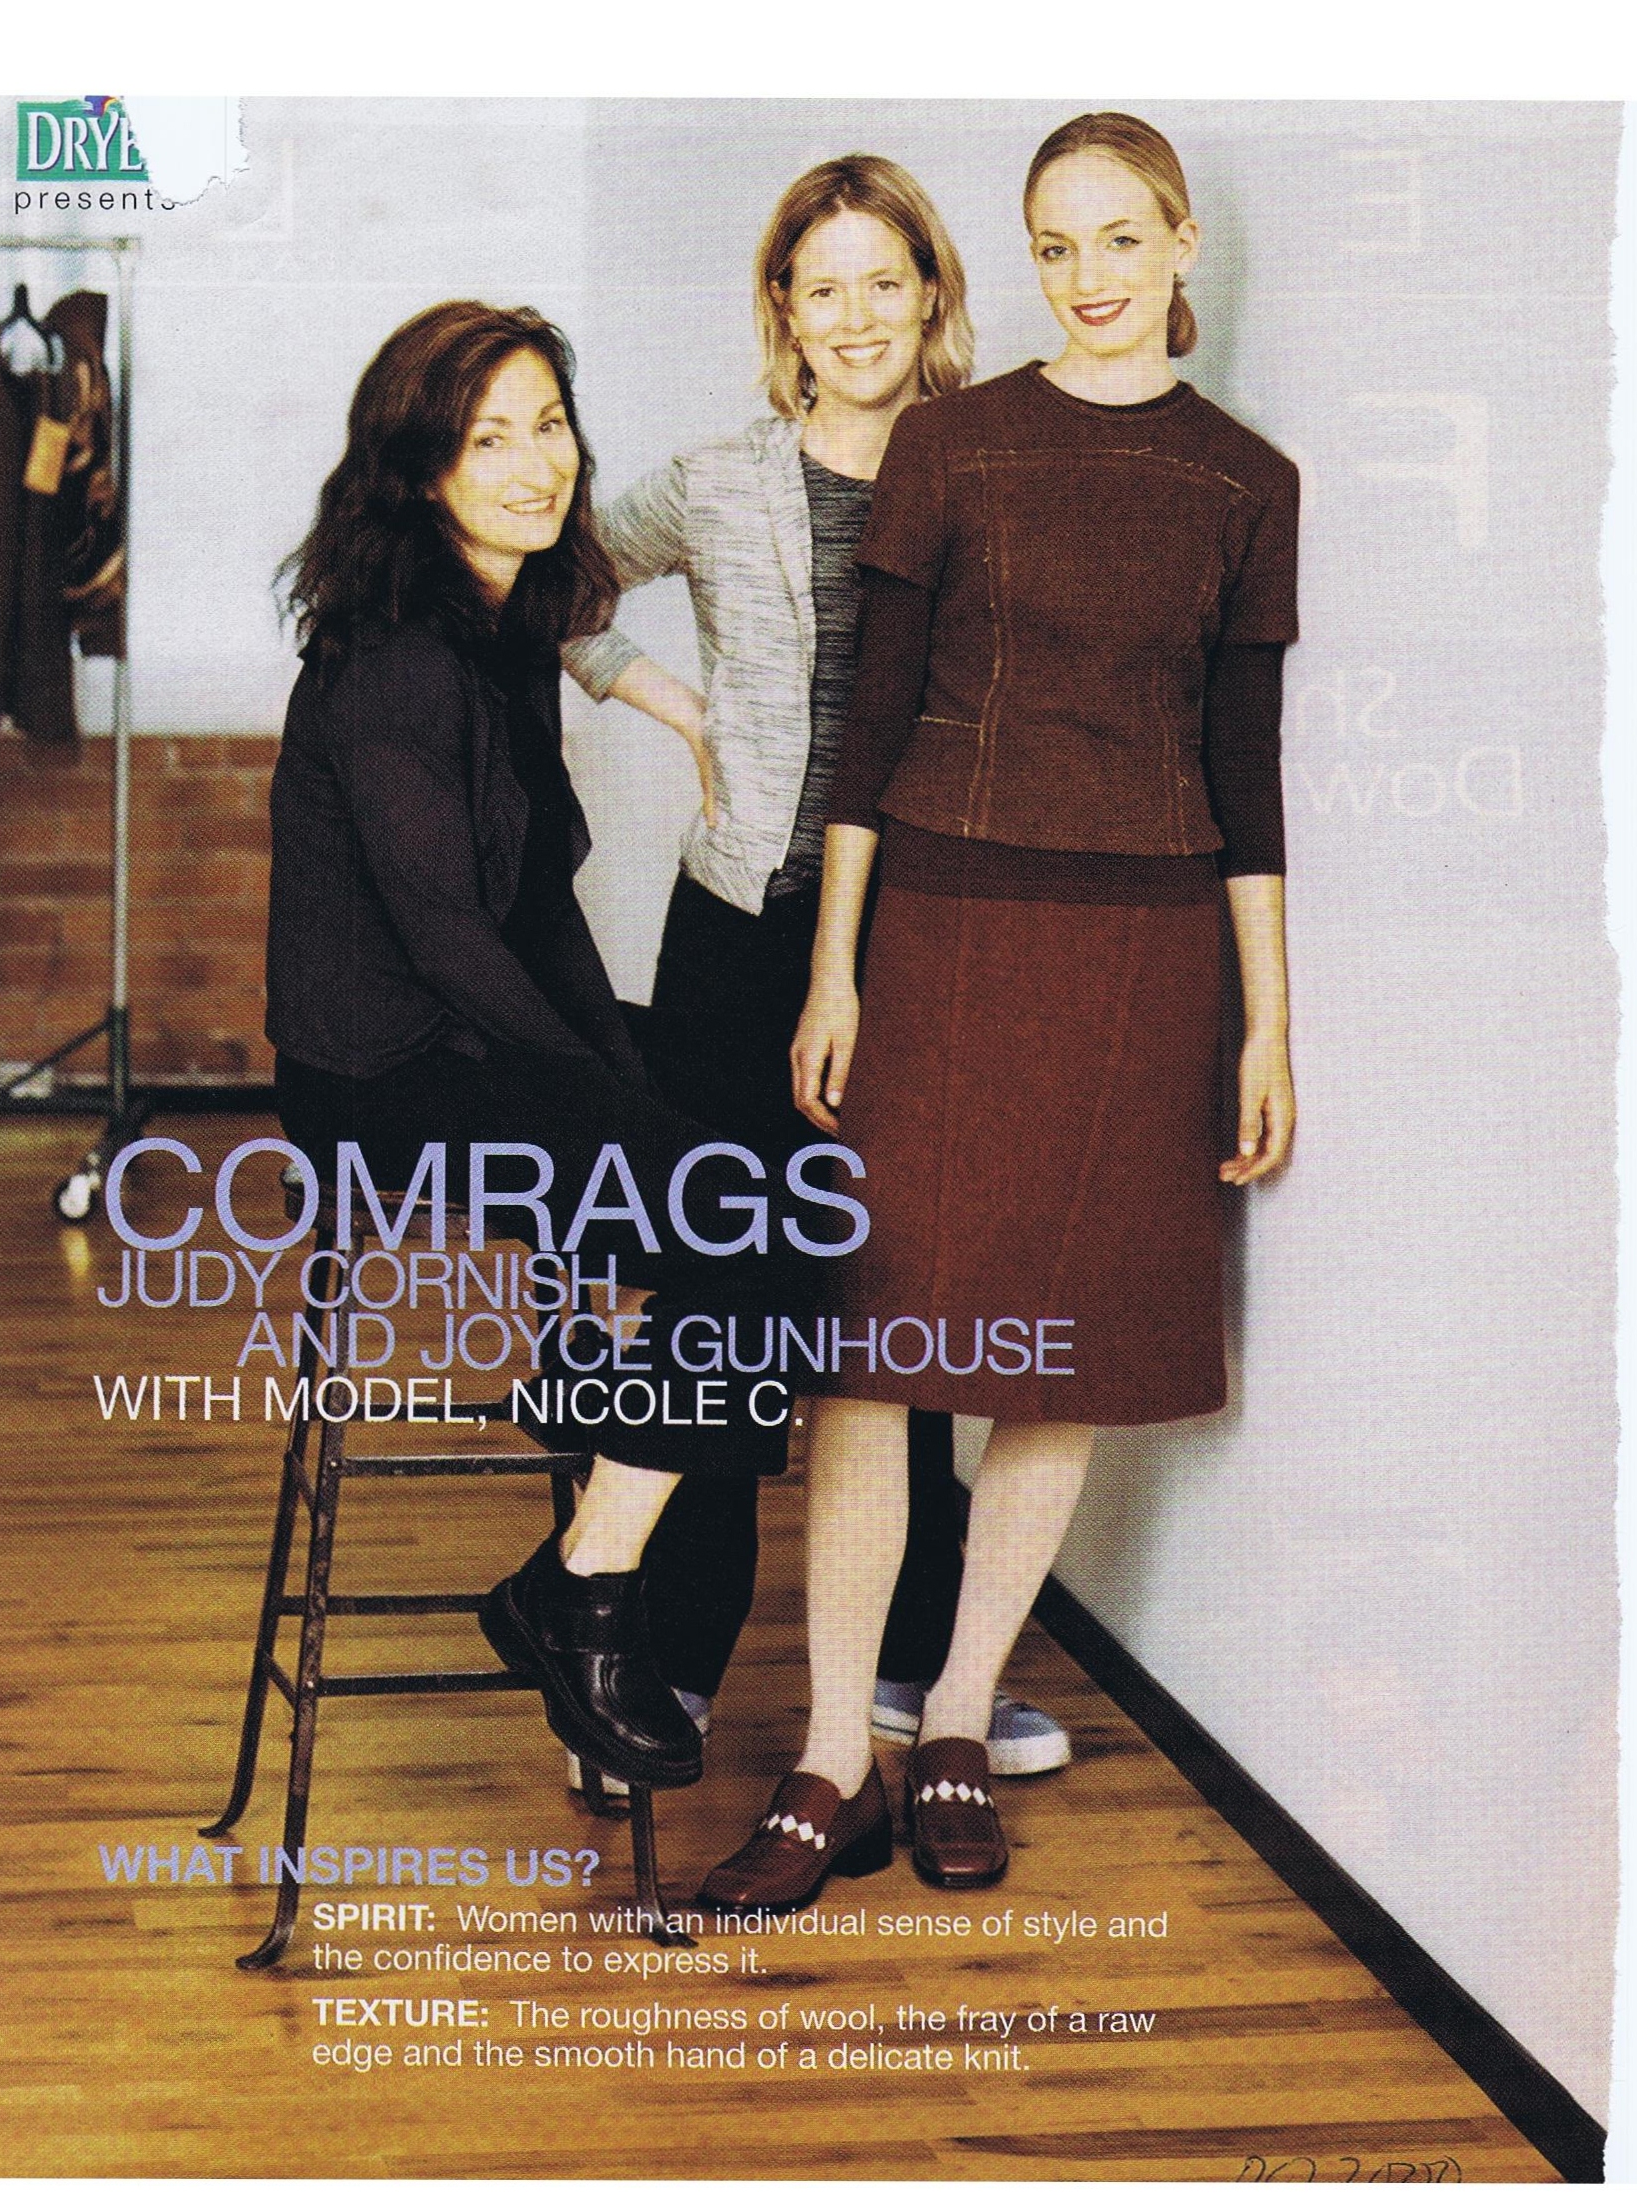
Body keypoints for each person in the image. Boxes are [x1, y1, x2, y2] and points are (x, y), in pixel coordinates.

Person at [700, 113, 1300, 1912]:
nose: (1087, 276)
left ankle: (953, 1717)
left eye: (1119, 238)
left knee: (1066, 1347)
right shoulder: (952, 446)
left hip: (1147, 945)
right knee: (873, 1351)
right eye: (1054, 245)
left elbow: (1245, 773)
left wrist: (1266, 1021)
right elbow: (872, 730)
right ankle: (833, 1756)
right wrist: (836, 966)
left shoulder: (1244, 481)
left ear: (1180, 244)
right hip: (943, 929)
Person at [563, 154, 1070, 1785]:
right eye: (820, 285)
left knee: (893, 1298)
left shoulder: (994, 469)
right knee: (726, 1284)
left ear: (931, 294)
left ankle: (917, 1669)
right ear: (781, 309)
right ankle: (657, 1669)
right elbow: (556, 584)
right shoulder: (716, 481)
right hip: (739, 934)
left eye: (882, 281)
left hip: (927, 937)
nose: (853, 316)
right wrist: (676, 707)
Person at [265, 300, 815, 1798]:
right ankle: (584, 1592)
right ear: (419, 469)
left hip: (476, 1044)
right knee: (735, 1207)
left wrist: (628, 1089)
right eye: (487, 438)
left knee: (770, 1167)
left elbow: (538, 907)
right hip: (382, 1081)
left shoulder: (504, 626)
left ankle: (577, 1547)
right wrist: (613, 1114)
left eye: (548, 426)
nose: (533, 464)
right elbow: (447, 939)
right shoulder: (396, 659)